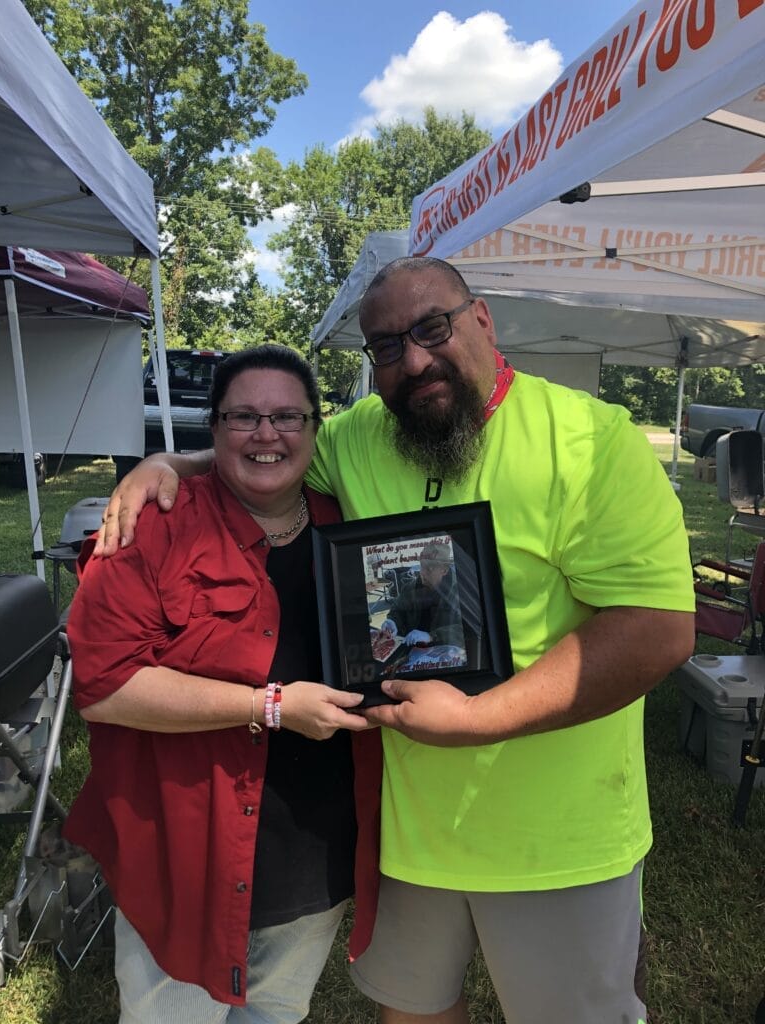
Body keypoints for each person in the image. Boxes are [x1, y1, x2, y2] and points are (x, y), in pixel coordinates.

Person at [95, 258, 696, 1024]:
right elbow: (270, 451)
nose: (413, 359)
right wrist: (166, 463)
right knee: (411, 1014)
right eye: (385, 346)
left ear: (483, 321)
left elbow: (657, 630)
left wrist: (482, 718)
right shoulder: (363, 437)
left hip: (559, 843)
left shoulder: (592, 439)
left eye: (432, 328)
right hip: (408, 841)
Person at [63, 345, 380, 1024]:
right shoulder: (153, 528)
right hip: (184, 857)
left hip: (312, 855)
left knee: (273, 1015)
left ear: (315, 429)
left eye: (287, 416)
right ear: (213, 430)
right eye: (244, 417)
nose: (267, 434)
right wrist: (268, 706)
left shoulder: (348, 528)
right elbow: (103, 684)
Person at [380, 541, 464, 649]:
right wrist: (392, 621)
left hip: (443, 652)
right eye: (422, 566)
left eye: (429, 568)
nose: (422, 573)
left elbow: (462, 630)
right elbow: (397, 610)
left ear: (444, 570)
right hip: (410, 649)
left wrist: (431, 636)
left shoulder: (459, 593)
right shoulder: (409, 588)